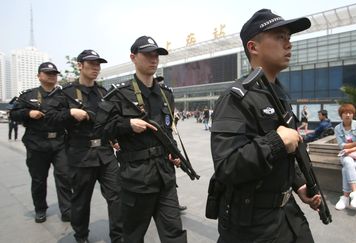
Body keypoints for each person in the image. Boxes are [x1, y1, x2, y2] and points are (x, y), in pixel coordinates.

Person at [209, 9, 321, 243]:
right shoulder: (236, 98)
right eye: (280, 37)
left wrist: (300, 185)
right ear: (253, 47)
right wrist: (276, 142)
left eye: (289, 38)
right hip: (252, 225)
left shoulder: (279, 95)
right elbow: (227, 166)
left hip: (287, 214)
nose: (288, 44)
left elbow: (287, 155)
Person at [95, 36, 187, 243]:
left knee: (174, 233)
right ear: (133, 58)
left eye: (156, 55)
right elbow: (99, 129)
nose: (153, 59)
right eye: (147, 55)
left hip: (165, 176)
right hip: (136, 178)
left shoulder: (166, 94)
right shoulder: (119, 94)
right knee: (133, 235)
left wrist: (174, 154)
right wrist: (127, 125)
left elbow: (166, 131)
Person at [45, 51, 122, 243]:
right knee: (80, 201)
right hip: (80, 155)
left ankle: (118, 236)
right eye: (92, 64)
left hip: (105, 153)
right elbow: (49, 118)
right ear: (80, 65)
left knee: (117, 195)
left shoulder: (104, 93)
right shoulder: (65, 92)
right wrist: (70, 112)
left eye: (98, 65)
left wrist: (115, 139)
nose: (96, 68)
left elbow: (112, 120)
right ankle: (81, 236)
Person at [9, 62, 72, 223]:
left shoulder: (64, 96)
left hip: (59, 142)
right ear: (39, 76)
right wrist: (29, 113)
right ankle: (40, 209)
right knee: (38, 179)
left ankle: (67, 209)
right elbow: (13, 114)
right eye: (47, 73)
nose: (52, 76)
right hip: (37, 144)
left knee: (64, 177)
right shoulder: (28, 95)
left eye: (54, 73)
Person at [334, 104, 356, 210]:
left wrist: (350, 149)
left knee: (346, 169)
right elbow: (341, 145)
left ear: (353, 114)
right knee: (348, 161)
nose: (348, 115)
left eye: (350, 113)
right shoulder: (338, 128)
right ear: (341, 115)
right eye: (345, 113)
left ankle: (345, 197)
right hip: (345, 156)